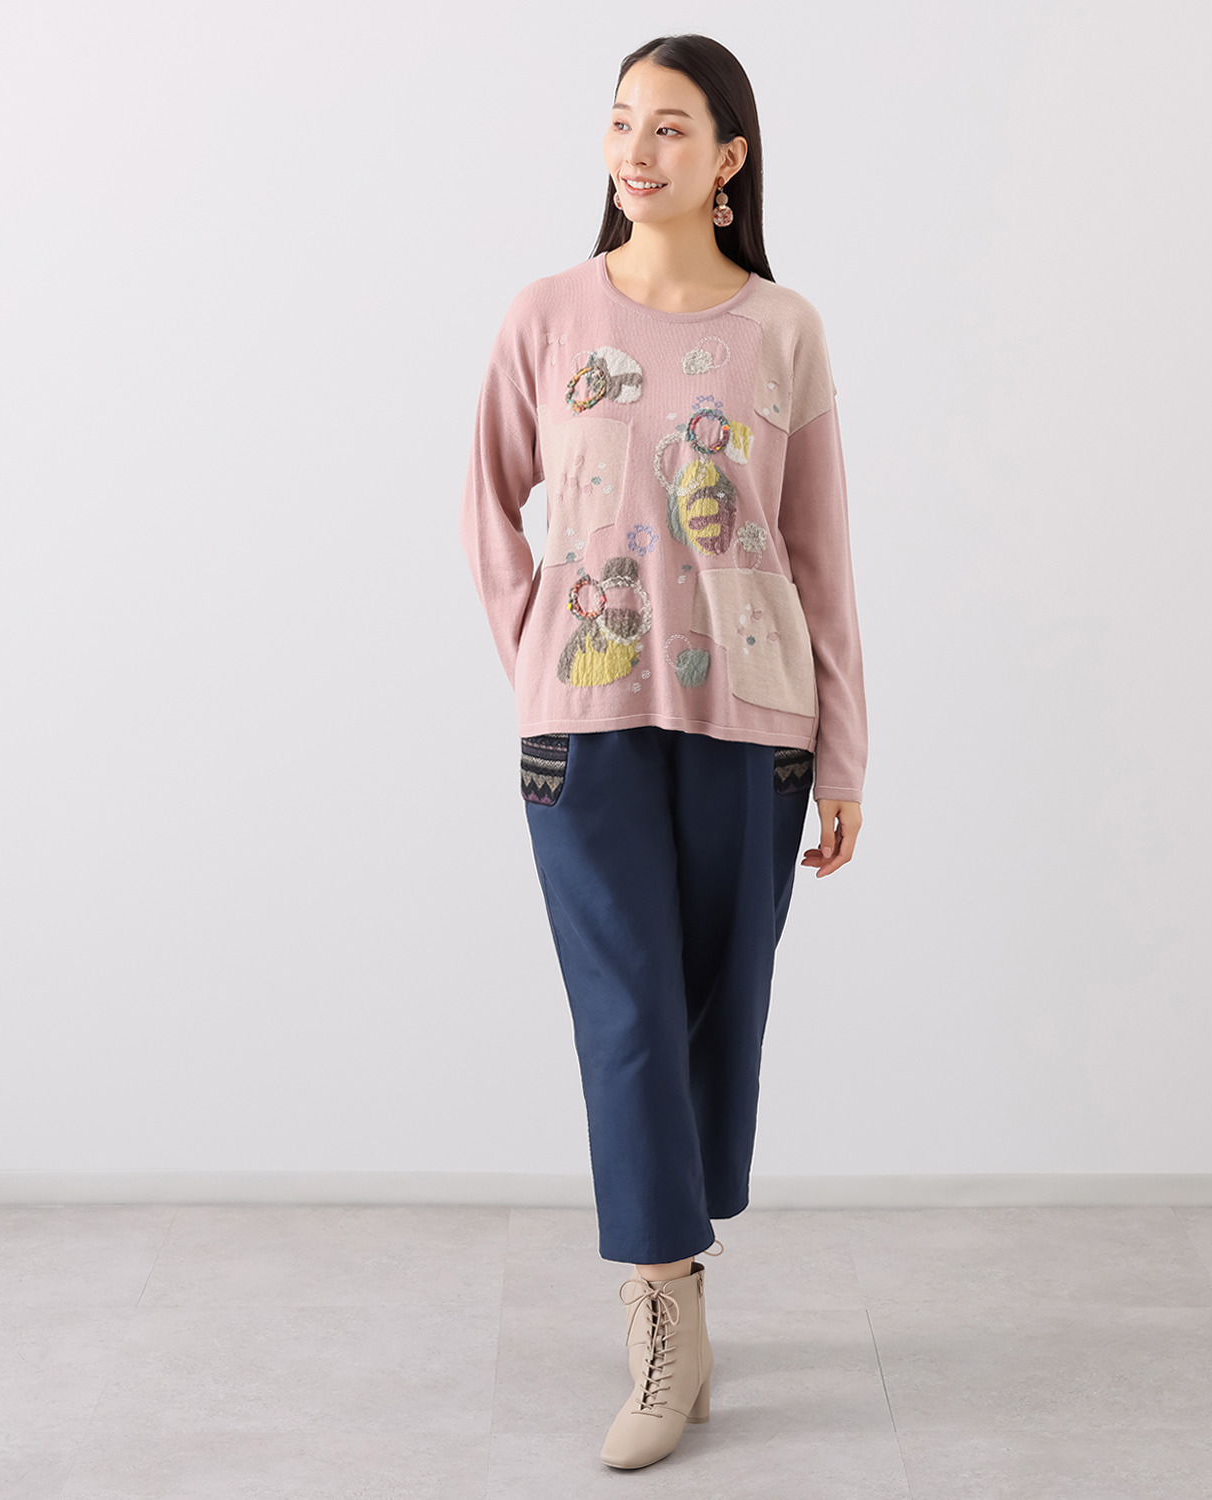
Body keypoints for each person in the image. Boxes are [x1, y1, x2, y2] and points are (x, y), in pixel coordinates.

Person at [458, 32, 868, 1471]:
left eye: (671, 127)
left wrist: (846, 756)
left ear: (730, 158)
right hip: (583, 728)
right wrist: (533, 655)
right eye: (622, 122)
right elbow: (483, 503)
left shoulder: (783, 331)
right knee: (627, 1013)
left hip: (756, 727)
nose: (636, 151)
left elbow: (820, 557)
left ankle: (682, 1278)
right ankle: (655, 1311)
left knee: (715, 1018)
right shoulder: (548, 316)